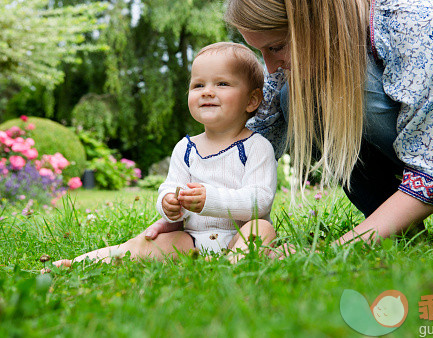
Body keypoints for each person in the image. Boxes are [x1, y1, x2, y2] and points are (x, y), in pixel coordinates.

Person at [224, 0, 433, 245]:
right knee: (293, 95)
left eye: (276, 47)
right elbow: (262, 132)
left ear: (315, 21)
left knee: (337, 86)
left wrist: (337, 248)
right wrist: (203, 206)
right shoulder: (330, 32)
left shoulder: (409, 13)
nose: (271, 67)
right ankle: (400, 229)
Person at [53, 42, 278, 267]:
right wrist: (169, 204)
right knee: (144, 243)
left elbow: (260, 201)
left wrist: (210, 200)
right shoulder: (186, 148)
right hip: (190, 241)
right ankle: (83, 262)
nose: (207, 91)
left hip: (238, 237)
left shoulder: (256, 146)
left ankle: (233, 263)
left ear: (252, 100)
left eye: (222, 83)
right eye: (198, 85)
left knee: (262, 229)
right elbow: (170, 187)